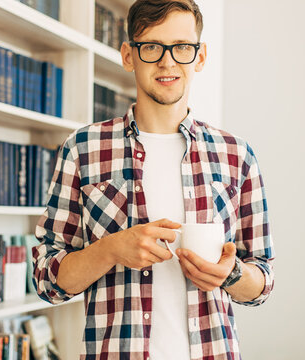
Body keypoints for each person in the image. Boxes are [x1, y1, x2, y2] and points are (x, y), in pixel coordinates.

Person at [33, 0, 275, 359]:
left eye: (182, 47)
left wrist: (231, 274)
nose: (167, 61)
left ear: (201, 56)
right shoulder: (82, 148)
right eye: (151, 47)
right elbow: (46, 280)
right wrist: (111, 249)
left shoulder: (237, 154)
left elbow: (262, 281)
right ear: (129, 56)